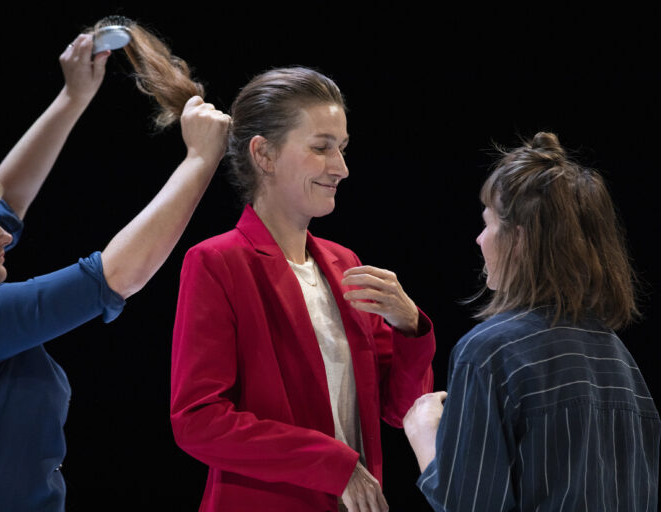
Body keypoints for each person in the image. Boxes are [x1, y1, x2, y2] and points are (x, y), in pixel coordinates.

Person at [0, 31, 230, 511]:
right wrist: (199, 161)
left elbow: (6, 202)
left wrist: (73, 97)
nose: (8, 235)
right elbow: (115, 276)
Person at [170, 66, 436, 512]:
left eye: (343, 149)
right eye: (321, 148)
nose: (342, 168)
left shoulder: (345, 263)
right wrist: (333, 463)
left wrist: (409, 327)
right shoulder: (217, 261)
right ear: (264, 155)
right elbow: (198, 420)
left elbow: (399, 409)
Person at [403, 132, 660, 510]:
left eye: (488, 224)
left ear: (518, 239)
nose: (479, 239)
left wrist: (424, 435)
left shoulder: (489, 353)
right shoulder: (620, 360)